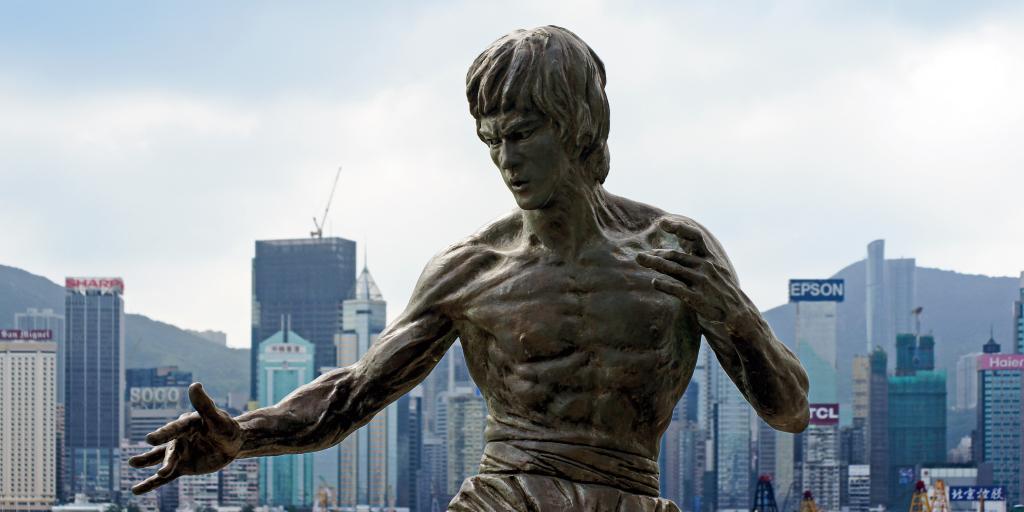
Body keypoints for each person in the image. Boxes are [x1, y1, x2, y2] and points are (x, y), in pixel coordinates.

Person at [131, 26, 809, 511]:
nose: (505, 161)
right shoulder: (470, 271)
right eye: (491, 140)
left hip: (628, 494)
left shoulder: (676, 248)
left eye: (522, 134)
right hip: (502, 496)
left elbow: (789, 410)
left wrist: (736, 318)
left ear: (574, 125)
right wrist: (241, 436)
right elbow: (353, 394)